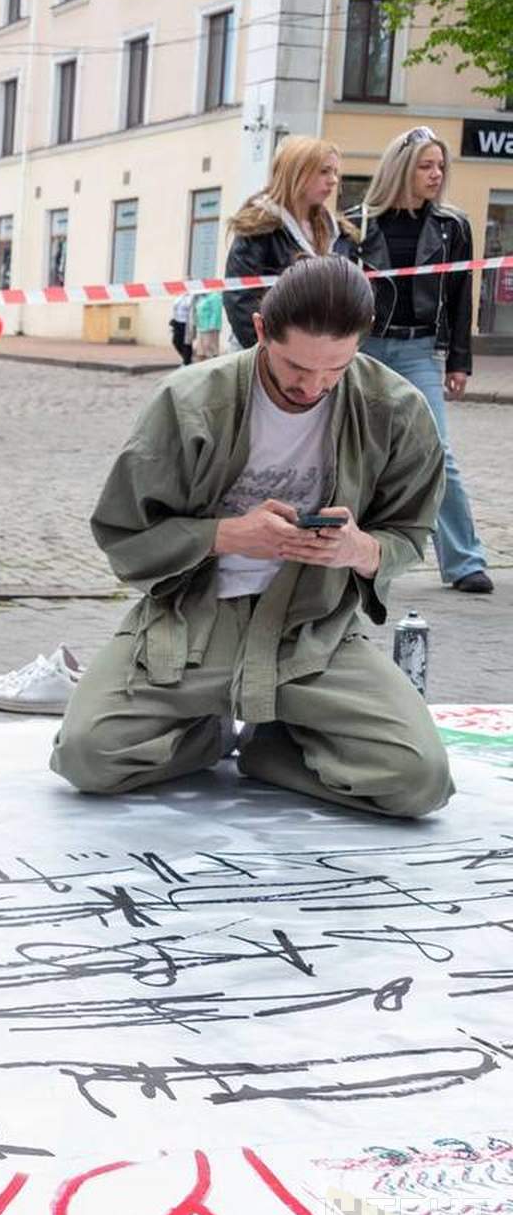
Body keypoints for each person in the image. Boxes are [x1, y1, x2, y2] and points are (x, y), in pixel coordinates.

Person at [51, 257, 452, 819]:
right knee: (87, 758)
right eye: (295, 366)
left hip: (312, 631)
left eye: (336, 368)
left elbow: (409, 529)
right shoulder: (190, 401)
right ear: (261, 330)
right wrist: (225, 535)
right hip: (191, 624)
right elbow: (124, 535)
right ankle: (208, 733)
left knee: (419, 781)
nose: (312, 387)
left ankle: (272, 746)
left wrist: (360, 550)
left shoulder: (396, 409)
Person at [339, 124, 491, 595]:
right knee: (350, 452)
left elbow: (463, 297)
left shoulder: (453, 226)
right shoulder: (356, 223)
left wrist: (458, 361)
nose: (435, 173)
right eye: (426, 165)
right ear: (401, 168)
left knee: (437, 453)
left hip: (418, 348)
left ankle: (465, 561)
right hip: (361, 348)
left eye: (440, 166)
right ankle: (342, 554)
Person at [222, 135, 355, 349]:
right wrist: (268, 350)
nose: (333, 180)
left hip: (320, 352)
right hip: (267, 352)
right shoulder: (259, 226)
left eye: (335, 172)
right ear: (296, 172)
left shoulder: (337, 232)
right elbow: (240, 298)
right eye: (324, 171)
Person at [193, 290, 225, 360]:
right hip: (201, 327)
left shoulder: (214, 296)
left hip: (210, 328)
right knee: (200, 351)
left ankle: (212, 366)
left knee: (210, 350)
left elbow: (216, 313)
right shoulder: (202, 297)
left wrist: (212, 327)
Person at [169, 292, 196, 366]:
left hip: (187, 323)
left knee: (186, 343)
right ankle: (187, 359)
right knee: (176, 342)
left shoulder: (192, 296)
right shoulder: (180, 296)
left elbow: (191, 308)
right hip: (177, 322)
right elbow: (175, 308)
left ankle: (187, 362)